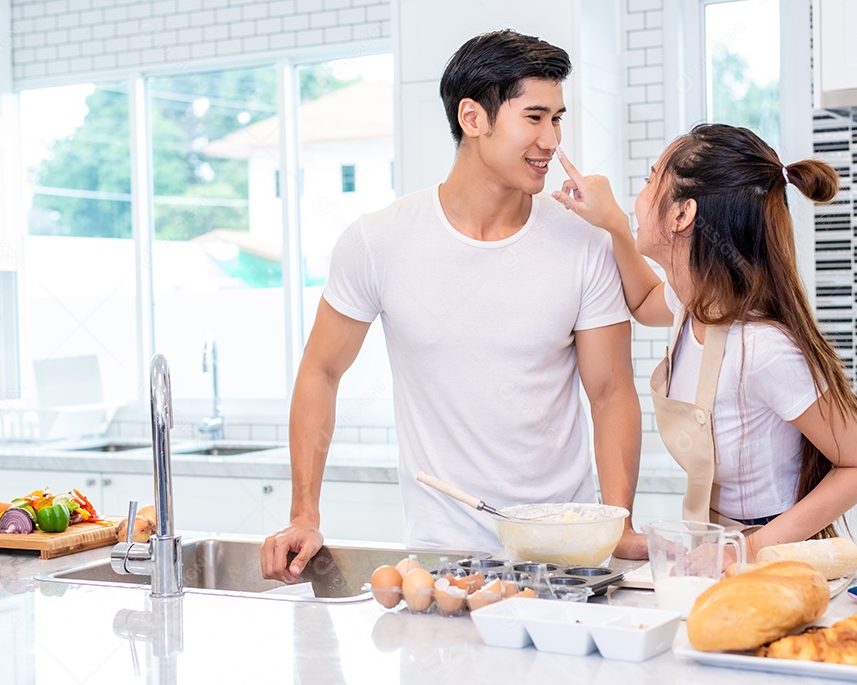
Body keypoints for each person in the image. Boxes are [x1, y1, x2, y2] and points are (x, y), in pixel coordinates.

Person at [261, 30, 645, 582]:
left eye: (557, 119)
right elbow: (320, 371)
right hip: (442, 557)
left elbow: (611, 394)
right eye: (534, 118)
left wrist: (619, 522)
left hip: (567, 552)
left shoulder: (583, 241)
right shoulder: (379, 241)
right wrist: (304, 512)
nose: (551, 141)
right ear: (473, 118)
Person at [551, 123, 857, 560]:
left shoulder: (762, 349)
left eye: (653, 178)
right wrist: (614, 224)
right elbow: (643, 298)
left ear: (681, 214)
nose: (641, 191)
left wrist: (745, 551)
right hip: (717, 542)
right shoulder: (693, 305)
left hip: (774, 553)